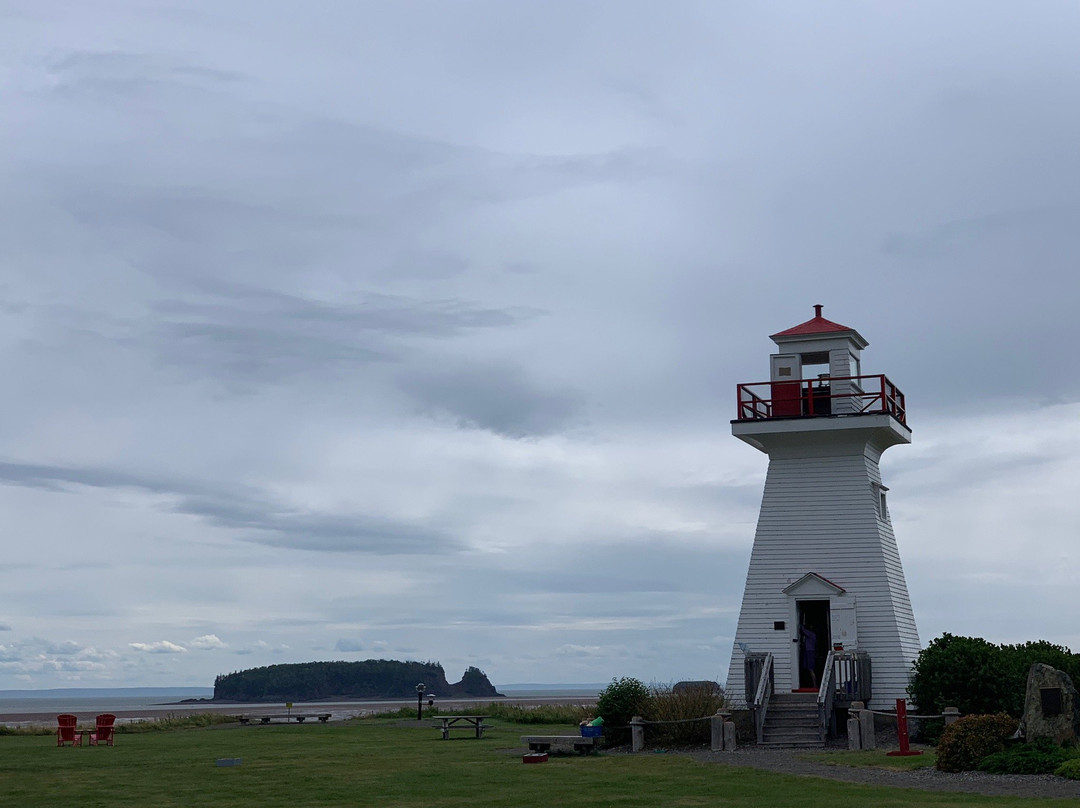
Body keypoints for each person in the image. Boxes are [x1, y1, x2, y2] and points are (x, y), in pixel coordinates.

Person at [800, 618, 818, 688]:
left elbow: (803, 630)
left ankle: (814, 685)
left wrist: (801, 625)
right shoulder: (812, 634)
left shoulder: (811, 634)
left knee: (811, 669)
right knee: (807, 668)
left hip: (810, 651)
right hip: (808, 651)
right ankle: (811, 684)